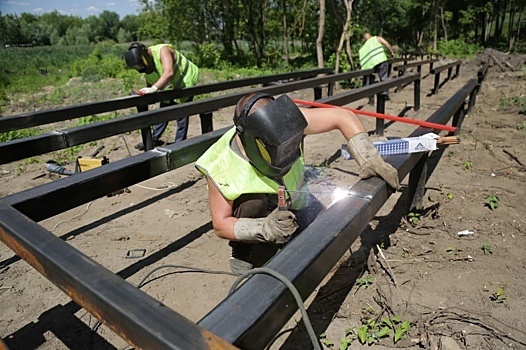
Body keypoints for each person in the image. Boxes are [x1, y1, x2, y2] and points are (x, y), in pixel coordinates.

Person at [195, 93, 400, 275]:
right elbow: (221, 225)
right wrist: (264, 227)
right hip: (258, 214)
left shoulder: (288, 122)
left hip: (295, 199)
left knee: (325, 235)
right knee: (252, 204)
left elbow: (343, 116)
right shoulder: (220, 165)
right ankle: (246, 252)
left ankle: (294, 223)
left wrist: (369, 157)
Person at [124, 42, 199, 150]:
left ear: (145, 53)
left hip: (185, 81)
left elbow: (168, 72)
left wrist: (154, 88)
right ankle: (153, 138)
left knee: (181, 114)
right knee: (162, 113)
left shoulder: (163, 51)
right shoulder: (147, 63)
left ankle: (179, 144)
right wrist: (147, 90)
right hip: (170, 86)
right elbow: (151, 75)